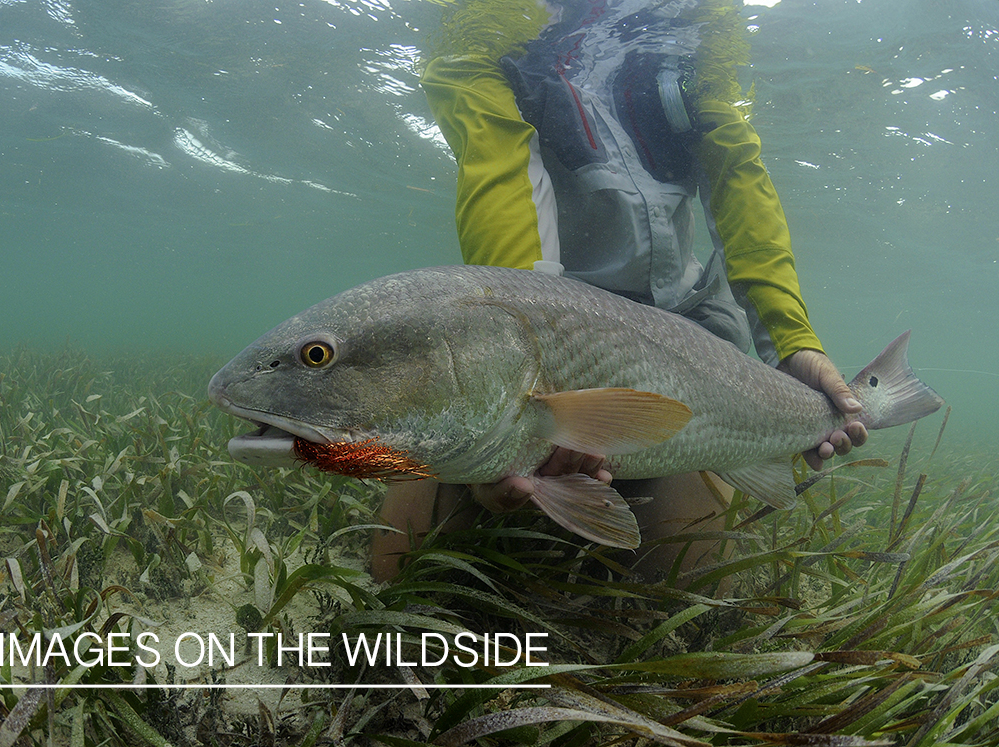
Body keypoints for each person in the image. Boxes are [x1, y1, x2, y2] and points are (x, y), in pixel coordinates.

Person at [371, 0, 867, 582]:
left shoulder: (705, 20)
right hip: (537, 325)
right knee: (398, 572)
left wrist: (791, 342)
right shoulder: (482, 15)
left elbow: (739, 180)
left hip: (678, 337)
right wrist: (533, 371)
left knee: (696, 589)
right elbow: (496, 166)